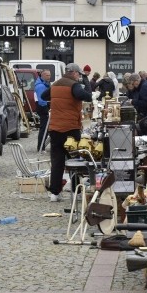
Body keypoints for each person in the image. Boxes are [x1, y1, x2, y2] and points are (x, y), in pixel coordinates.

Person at [43, 63, 93, 202]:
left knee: (57, 161)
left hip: (55, 128)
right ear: (76, 73)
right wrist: (86, 81)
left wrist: (56, 101)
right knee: (75, 161)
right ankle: (76, 192)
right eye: (79, 74)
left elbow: (43, 95)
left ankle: (55, 193)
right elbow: (87, 96)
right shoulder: (74, 85)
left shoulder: (56, 84)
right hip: (70, 128)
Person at [34, 68, 52, 152]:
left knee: (45, 128)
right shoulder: (40, 86)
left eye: (50, 75)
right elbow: (41, 100)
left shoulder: (44, 84)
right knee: (44, 128)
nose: (49, 77)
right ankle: (41, 147)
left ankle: (42, 146)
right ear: (43, 75)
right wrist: (47, 109)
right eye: (47, 75)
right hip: (43, 107)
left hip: (44, 106)